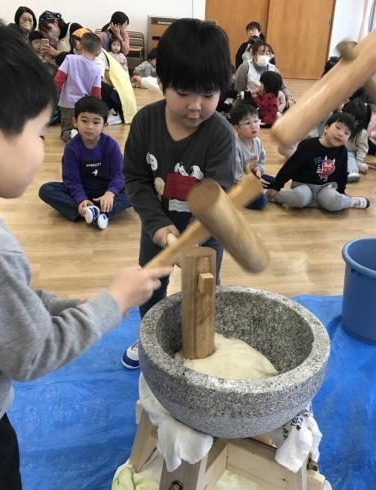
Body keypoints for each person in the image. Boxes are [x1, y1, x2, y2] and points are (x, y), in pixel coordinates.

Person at [0, 13, 172, 489]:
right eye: (39, 134)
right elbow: (32, 353)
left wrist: (65, 306)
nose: (44, 149)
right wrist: (113, 302)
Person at [121, 19, 235, 369]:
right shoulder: (145, 123)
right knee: (152, 289)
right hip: (158, 227)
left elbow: (217, 195)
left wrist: (190, 241)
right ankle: (149, 335)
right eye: (184, 92)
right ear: (164, 83)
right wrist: (158, 226)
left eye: (209, 94)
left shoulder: (220, 135)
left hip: (204, 234)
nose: (196, 105)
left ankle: (196, 339)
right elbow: (136, 179)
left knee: (203, 293)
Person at [39, 96, 131, 229]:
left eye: (96, 122)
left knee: (136, 188)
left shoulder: (111, 146)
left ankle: (94, 212)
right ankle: (96, 212)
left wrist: (110, 193)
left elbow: (120, 175)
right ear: (75, 122)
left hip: (106, 187)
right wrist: (81, 199)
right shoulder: (71, 148)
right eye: (84, 121)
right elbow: (71, 180)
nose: (89, 127)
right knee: (46, 190)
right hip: (83, 187)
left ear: (105, 125)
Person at [266, 113, 371, 211]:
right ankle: (271, 196)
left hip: (326, 187)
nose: (340, 134)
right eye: (338, 127)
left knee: (336, 202)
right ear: (326, 128)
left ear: (348, 139)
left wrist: (340, 193)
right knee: (300, 198)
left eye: (346, 133)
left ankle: (350, 202)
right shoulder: (308, 145)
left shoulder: (342, 151)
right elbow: (291, 166)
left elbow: (342, 173)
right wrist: (276, 186)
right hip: (304, 186)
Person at [54, 32, 103, 142]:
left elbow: (59, 78)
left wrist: (53, 94)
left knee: (65, 130)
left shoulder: (70, 59)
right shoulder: (97, 70)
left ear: (80, 45)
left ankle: (71, 134)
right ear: (98, 53)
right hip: (84, 106)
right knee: (82, 126)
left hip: (68, 103)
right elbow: (96, 93)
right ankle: (80, 135)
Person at [229, 105, 275, 210]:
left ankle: (261, 192)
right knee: (261, 202)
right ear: (237, 128)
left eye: (255, 121)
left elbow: (261, 160)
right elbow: (236, 175)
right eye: (247, 123)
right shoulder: (235, 146)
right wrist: (252, 183)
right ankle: (251, 195)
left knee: (275, 182)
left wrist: (259, 169)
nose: (253, 126)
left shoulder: (257, 142)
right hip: (237, 183)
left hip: (251, 177)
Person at [235, 41, 294, 109]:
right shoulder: (245, 67)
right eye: (261, 53)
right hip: (251, 100)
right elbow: (239, 90)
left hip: (271, 100)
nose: (264, 56)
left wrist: (289, 99)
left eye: (267, 54)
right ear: (254, 55)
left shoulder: (273, 69)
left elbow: (282, 87)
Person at [342, 100, 372, 183]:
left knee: (349, 155)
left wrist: (359, 161)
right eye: (348, 117)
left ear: (359, 121)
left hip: (349, 153)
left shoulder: (361, 133)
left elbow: (362, 149)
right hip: (334, 151)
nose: (350, 122)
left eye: (355, 120)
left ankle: (352, 171)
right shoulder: (337, 125)